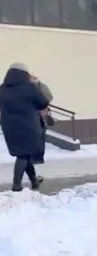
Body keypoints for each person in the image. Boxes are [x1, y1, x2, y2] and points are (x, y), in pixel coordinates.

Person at [0, 63, 51, 192]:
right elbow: (43, 102)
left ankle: (34, 180)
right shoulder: (29, 88)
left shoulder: (2, 89)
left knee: (24, 152)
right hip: (28, 125)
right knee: (23, 155)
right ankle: (16, 185)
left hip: (9, 126)